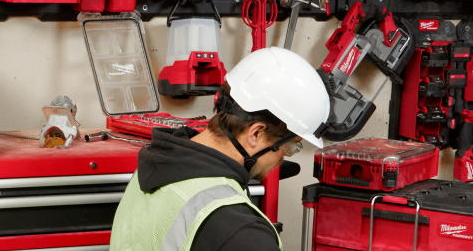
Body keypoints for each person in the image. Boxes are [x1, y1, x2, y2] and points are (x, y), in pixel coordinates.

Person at [109, 47, 331, 251]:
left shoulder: (150, 170)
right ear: (256, 133)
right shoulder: (241, 231)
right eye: (289, 147)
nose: (284, 158)